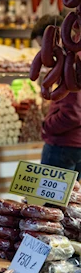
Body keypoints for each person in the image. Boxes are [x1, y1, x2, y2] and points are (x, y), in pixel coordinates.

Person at [35, 15, 81, 176]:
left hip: (64, 145)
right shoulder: (72, 60)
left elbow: (72, 114)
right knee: (73, 199)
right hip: (75, 143)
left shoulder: (72, 63)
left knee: (50, 200)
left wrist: (47, 126)